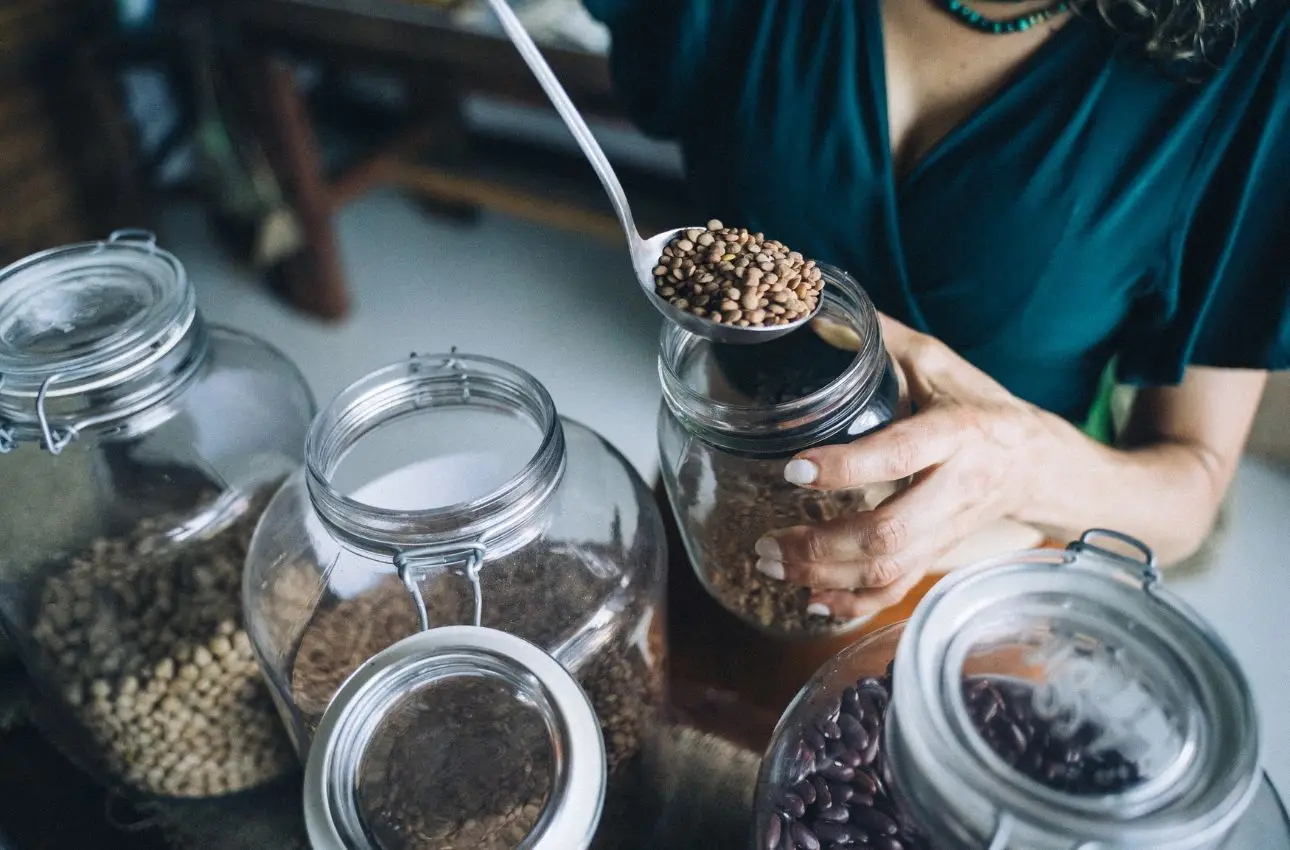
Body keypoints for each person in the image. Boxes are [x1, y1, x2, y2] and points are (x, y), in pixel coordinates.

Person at [584, 0, 1289, 620]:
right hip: (736, 490)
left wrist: (1017, 470)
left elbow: (1185, 502)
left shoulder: (1253, 51)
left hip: (995, 578)